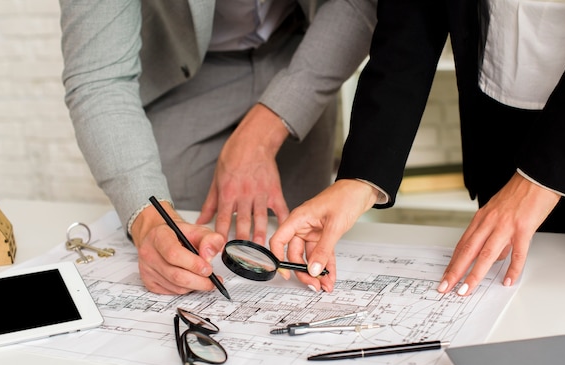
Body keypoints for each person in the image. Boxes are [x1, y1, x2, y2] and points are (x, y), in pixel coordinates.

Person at [270, 0, 565, 296]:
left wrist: (541, 177)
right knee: (512, 301)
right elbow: (410, 25)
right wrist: (360, 180)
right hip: (497, 121)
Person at [59, 1, 377, 294]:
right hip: (183, 72)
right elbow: (99, 77)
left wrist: (265, 130)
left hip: (304, 49)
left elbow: (360, 3)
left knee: (297, 233)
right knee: (177, 254)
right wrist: (148, 222)